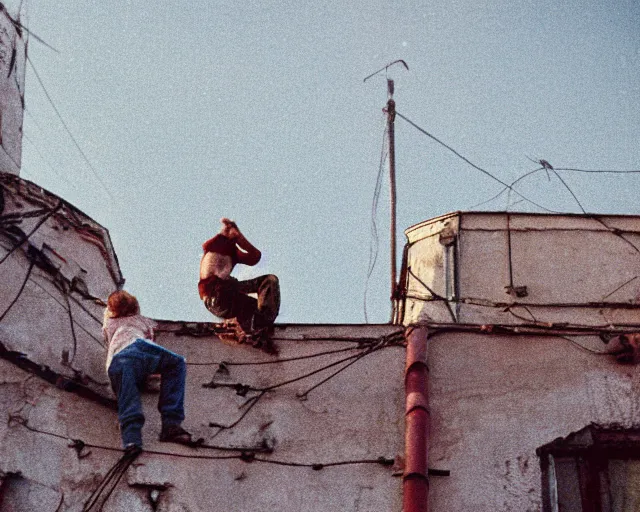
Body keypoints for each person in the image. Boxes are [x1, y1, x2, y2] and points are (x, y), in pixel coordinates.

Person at [103, 290, 192, 452]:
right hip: (138, 347)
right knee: (177, 363)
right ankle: (171, 424)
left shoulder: (109, 324)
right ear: (135, 307)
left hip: (116, 361)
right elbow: (150, 342)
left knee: (127, 396)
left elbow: (108, 342)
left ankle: (132, 440)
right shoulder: (144, 321)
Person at [198, 218, 280, 346]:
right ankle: (257, 327)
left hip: (224, 295)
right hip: (218, 294)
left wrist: (239, 237)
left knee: (257, 303)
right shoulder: (215, 245)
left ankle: (249, 329)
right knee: (268, 282)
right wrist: (226, 232)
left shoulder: (232, 252)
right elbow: (207, 246)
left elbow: (255, 257)